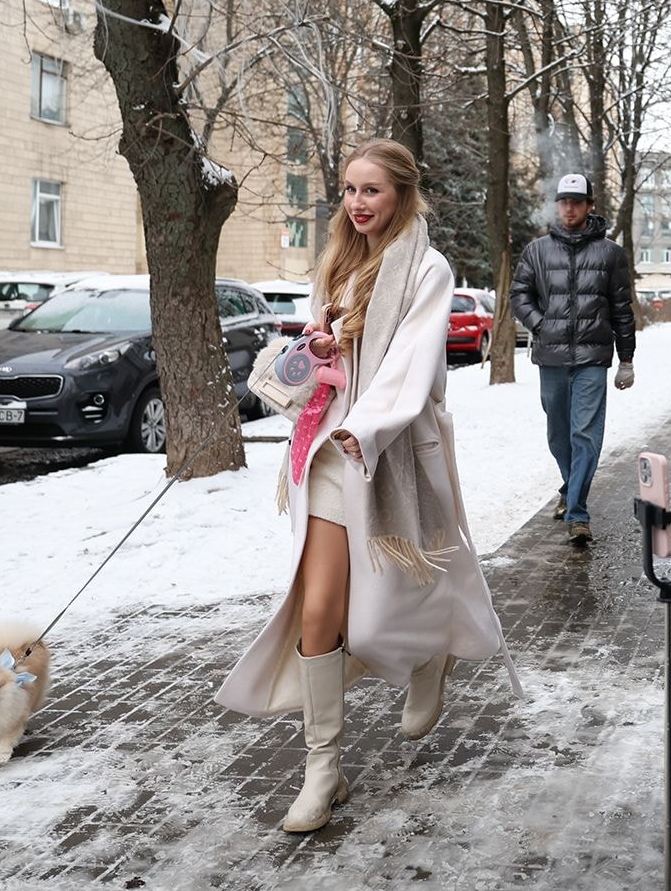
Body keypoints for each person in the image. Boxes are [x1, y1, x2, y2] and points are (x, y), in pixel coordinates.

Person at [216, 138, 516, 833]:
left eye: (371, 191)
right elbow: (323, 361)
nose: (357, 203)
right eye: (349, 190)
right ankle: (323, 769)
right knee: (319, 612)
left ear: (403, 195)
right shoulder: (336, 269)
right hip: (329, 454)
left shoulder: (428, 271)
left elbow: (411, 364)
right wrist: (317, 350)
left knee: (377, 620)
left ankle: (430, 650)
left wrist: (371, 425)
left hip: (395, 453)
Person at [509, 173, 636, 547]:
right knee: (558, 434)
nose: (569, 208)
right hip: (551, 358)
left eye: (577, 202)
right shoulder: (537, 251)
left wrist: (626, 359)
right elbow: (520, 294)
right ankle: (570, 486)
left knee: (585, 434)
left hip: (593, 359)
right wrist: (540, 323)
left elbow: (622, 309)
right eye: (564, 201)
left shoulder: (611, 254)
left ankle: (578, 512)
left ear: (590, 206)